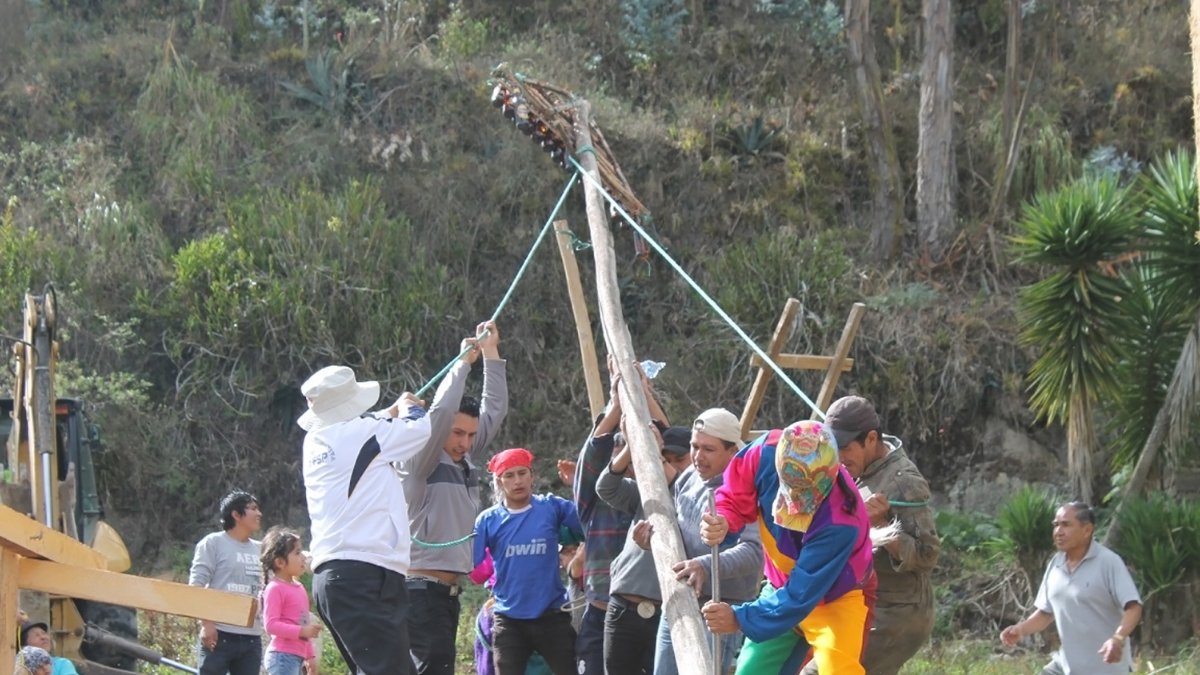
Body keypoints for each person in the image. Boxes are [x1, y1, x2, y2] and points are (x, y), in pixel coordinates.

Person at [700, 419, 875, 675]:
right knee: (750, 671)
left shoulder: (843, 520)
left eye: (808, 495)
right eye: (793, 488)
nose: (796, 504)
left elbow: (801, 594)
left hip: (838, 596)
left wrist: (739, 618)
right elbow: (733, 496)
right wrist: (724, 521)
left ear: (832, 474)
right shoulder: (762, 453)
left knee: (839, 671)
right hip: (780, 585)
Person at [298, 364, 431, 675]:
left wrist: (392, 411)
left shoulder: (315, 440)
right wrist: (410, 409)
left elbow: (367, 429)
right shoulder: (363, 433)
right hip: (364, 576)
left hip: (336, 577)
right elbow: (418, 430)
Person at [404, 320, 508, 675]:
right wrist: (462, 364)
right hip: (419, 591)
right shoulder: (422, 458)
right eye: (458, 433)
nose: (465, 442)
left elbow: (495, 410)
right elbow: (441, 412)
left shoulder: (462, 459)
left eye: (471, 435)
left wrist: (491, 353)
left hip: (445, 594)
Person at [816, 395, 940, 675]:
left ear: (871, 439)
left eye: (845, 448)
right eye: (834, 448)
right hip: (857, 603)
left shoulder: (904, 482)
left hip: (895, 613)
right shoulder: (855, 468)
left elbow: (927, 556)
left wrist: (882, 525)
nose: (838, 457)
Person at [645, 409, 763, 675]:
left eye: (708, 449)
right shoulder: (688, 477)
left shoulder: (747, 489)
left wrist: (704, 565)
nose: (698, 456)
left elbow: (754, 553)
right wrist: (651, 539)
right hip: (679, 599)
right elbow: (676, 529)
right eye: (695, 446)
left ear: (732, 452)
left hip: (720, 609)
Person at [569, 358, 658, 675]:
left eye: (633, 456)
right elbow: (593, 452)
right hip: (601, 611)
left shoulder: (657, 495)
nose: (627, 465)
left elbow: (669, 442)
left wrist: (644, 396)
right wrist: (617, 403)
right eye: (621, 457)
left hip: (651, 615)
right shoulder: (594, 499)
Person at [472, 448, 583, 675]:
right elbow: (471, 565)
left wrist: (578, 483)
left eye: (522, 473)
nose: (517, 481)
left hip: (552, 615)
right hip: (508, 620)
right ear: (499, 482)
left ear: (532, 476)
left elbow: (590, 520)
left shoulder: (551, 507)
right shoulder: (487, 520)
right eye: (509, 475)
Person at [1000, 501, 1143, 675]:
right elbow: (1046, 613)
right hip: (1066, 665)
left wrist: (1117, 638)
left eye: (1066, 525)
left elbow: (1134, 607)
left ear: (1087, 530)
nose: (1058, 531)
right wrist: (1021, 629)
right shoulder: (1055, 563)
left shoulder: (1108, 562)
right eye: (1056, 525)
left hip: (1104, 668)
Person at [596, 421, 687, 675]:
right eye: (665, 458)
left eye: (678, 459)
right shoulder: (648, 492)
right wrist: (631, 446)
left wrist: (657, 456)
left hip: (669, 615)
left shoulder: (696, 498)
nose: (668, 464)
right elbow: (606, 488)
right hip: (623, 607)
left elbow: (683, 486)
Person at [188, 490, 264, 675]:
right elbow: (196, 587)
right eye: (253, 508)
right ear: (236, 514)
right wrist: (207, 624)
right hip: (219, 634)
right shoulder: (212, 543)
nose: (259, 513)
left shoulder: (262, 549)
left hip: (251, 638)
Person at [259, 526, 321, 675]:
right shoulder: (274, 588)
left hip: (297, 657)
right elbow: (271, 625)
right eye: (297, 553)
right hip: (282, 657)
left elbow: (303, 622)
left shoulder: (299, 588)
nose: (303, 557)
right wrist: (302, 631)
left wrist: (310, 656)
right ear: (280, 562)